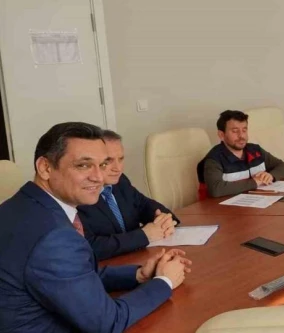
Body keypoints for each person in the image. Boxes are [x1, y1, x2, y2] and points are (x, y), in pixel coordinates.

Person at [0, 122, 191, 332]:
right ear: (45, 167)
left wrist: (138, 275)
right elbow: (107, 323)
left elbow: (75, 275)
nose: (99, 177)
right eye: (83, 165)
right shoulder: (54, 236)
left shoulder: (19, 206)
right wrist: (164, 281)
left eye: (102, 165)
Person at [78, 130, 180, 260]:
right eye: (108, 161)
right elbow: (90, 247)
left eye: (121, 159)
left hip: (137, 258)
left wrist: (164, 220)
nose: (118, 168)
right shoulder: (80, 194)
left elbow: (144, 205)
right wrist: (144, 235)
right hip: (106, 267)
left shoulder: (120, 181)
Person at [197, 110, 284, 198]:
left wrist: (271, 176)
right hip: (223, 207)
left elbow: (282, 166)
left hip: (256, 201)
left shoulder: (255, 150)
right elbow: (216, 189)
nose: (241, 136)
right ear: (222, 135)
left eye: (244, 130)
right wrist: (254, 182)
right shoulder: (214, 159)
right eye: (235, 131)